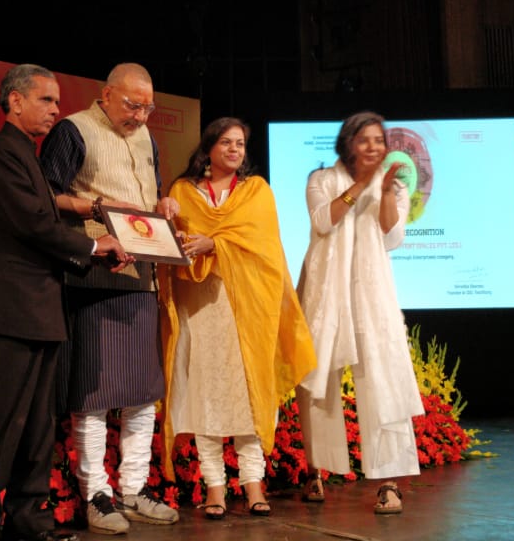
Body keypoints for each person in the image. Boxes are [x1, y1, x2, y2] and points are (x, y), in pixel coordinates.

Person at [0, 63, 131, 541]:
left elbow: (41, 229)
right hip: (7, 317)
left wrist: (95, 254)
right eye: (46, 100)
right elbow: (31, 224)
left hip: (40, 314)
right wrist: (93, 247)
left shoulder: (26, 155)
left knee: (34, 431)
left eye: (57, 100)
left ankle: (29, 521)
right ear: (15, 102)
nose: (55, 109)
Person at [38, 62, 181, 535]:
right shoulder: (73, 131)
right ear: (105, 95)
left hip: (142, 277)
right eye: (132, 105)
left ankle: (136, 488)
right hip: (94, 276)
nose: (141, 116)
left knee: (142, 393)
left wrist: (162, 208)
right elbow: (44, 197)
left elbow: (147, 193)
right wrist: (96, 208)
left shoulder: (147, 139)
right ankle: (96, 493)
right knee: (94, 394)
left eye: (148, 108)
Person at [158, 117, 317, 520]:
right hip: (201, 305)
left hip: (248, 308)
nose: (235, 150)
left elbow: (264, 249)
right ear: (208, 148)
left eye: (241, 144)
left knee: (249, 394)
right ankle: (214, 486)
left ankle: (253, 483)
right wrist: (166, 216)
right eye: (227, 142)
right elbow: (170, 245)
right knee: (206, 396)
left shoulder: (256, 192)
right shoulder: (182, 191)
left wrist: (217, 243)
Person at [294, 110, 424, 514]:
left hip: (371, 292)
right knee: (318, 380)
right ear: (348, 142)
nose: (374, 147)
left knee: (381, 378)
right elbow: (322, 222)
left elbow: (392, 237)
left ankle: (389, 481)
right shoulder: (322, 179)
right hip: (324, 290)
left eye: (379, 140)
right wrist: (361, 185)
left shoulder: (393, 184)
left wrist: (384, 192)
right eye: (365, 139)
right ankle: (317, 470)